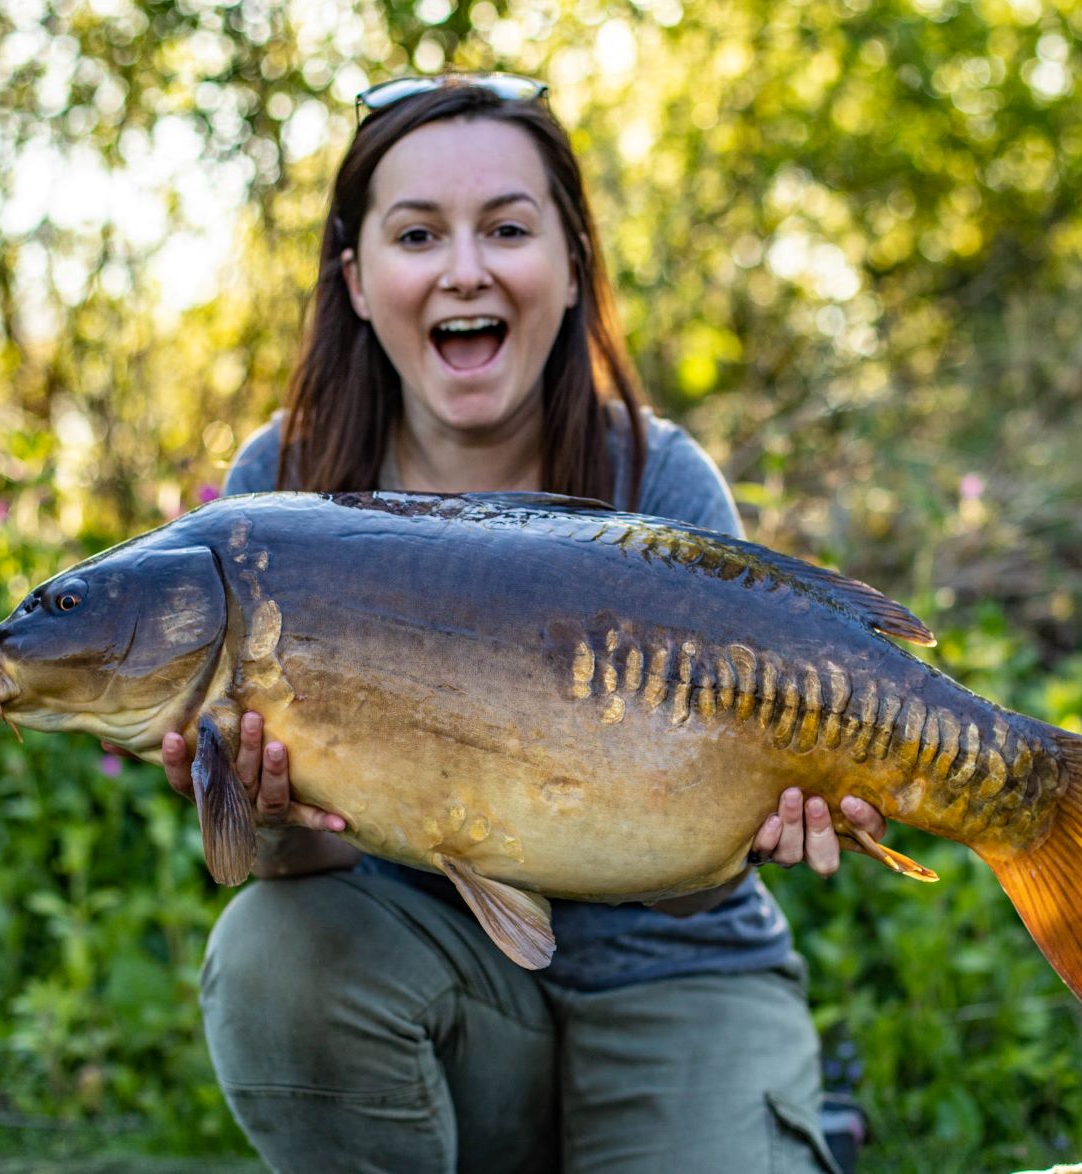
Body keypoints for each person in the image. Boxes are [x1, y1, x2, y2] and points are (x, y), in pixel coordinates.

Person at [154, 74, 890, 1172]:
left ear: (572, 265)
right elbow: (294, 863)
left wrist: (777, 803)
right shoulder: (279, 496)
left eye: (506, 228)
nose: (465, 269)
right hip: (435, 975)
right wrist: (254, 812)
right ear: (357, 280)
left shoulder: (660, 481)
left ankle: (767, 1125)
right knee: (271, 957)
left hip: (676, 969)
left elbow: (703, 852)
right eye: (418, 234)